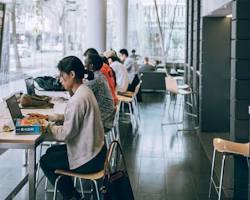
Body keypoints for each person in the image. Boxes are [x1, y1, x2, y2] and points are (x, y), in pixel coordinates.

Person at [36, 56, 106, 200]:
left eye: (62, 75)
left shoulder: (78, 99)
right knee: (51, 151)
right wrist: (54, 118)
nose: (60, 80)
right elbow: (76, 119)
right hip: (96, 151)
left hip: (89, 159)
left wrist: (46, 126)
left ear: (72, 75)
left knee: (45, 161)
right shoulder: (84, 91)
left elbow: (65, 134)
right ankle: (72, 193)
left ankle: (72, 196)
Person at [84, 53, 116, 131]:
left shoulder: (96, 79)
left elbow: (80, 95)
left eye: (85, 63)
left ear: (91, 66)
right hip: (108, 116)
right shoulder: (99, 75)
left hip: (104, 121)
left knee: (76, 121)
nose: (84, 65)